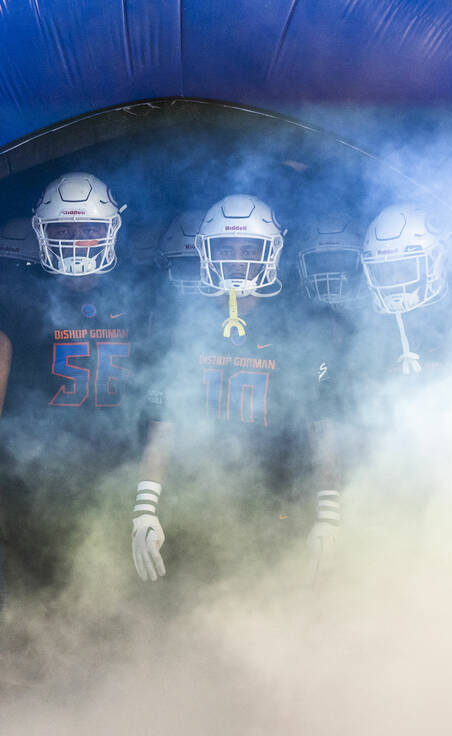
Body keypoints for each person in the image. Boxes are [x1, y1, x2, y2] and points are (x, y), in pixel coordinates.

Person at [131, 194, 342, 586]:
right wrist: (145, 509)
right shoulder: (184, 324)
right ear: (207, 253)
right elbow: (165, 428)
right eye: (226, 248)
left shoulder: (300, 325)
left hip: (278, 504)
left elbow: (322, 429)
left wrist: (328, 515)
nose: (238, 259)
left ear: (271, 252)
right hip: (195, 503)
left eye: (250, 249)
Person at [0, 171, 146, 594]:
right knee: (31, 611)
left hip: (116, 480)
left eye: (89, 229)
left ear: (111, 231)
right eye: (64, 229)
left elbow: (160, 404)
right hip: (33, 483)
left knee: (119, 613)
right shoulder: (14, 292)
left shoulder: (139, 295)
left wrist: (151, 491)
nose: (77, 240)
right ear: (42, 231)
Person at [359, 202, 449, 377]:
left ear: (435, 261)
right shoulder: (368, 332)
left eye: (406, 267)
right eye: (385, 270)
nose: (395, 279)